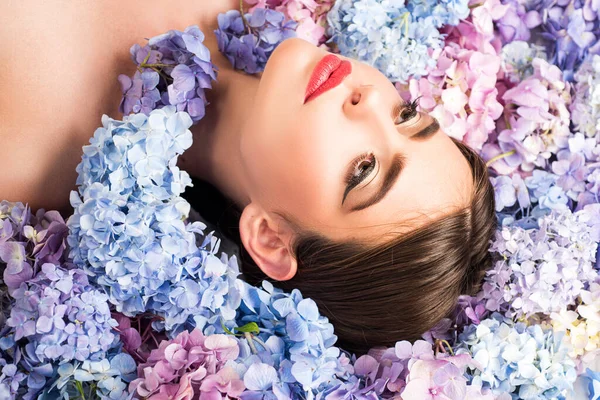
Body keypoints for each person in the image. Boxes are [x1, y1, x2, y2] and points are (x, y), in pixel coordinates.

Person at [1, 1, 496, 354]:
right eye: (406, 116)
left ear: (271, 239)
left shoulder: (30, 138)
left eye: (364, 170)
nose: (366, 101)